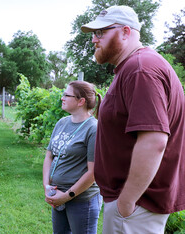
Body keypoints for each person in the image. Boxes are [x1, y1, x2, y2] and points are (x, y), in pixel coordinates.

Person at [81, 5, 185, 233]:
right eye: (93, 34)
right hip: (134, 206)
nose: (94, 40)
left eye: (100, 33)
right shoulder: (135, 68)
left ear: (126, 32)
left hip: (136, 207)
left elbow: (154, 142)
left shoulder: (141, 70)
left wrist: (126, 203)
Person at [43, 80, 102, 234]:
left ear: (81, 101)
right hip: (57, 195)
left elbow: (93, 173)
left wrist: (67, 196)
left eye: (66, 95)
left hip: (81, 200)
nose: (62, 98)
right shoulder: (62, 122)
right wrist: (47, 186)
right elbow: (49, 156)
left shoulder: (93, 129)